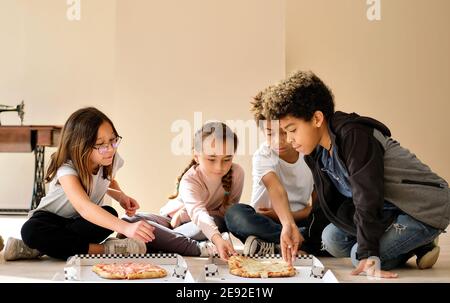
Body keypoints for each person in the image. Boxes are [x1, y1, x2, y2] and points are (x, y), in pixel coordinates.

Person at [260, 70, 449, 278]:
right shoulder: (316, 153)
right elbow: (325, 204)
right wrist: (299, 235)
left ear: (316, 118)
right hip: (390, 209)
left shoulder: (354, 136)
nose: (288, 139)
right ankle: (415, 243)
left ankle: (421, 239)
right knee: (330, 238)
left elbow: (367, 194)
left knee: (359, 257)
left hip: (425, 208)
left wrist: (369, 253)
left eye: (292, 130)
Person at [3, 107, 154, 261]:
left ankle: (36, 248)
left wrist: (121, 196)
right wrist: (126, 228)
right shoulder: (66, 168)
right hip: (51, 219)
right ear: (81, 146)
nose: (109, 149)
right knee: (31, 230)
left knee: (110, 213)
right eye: (101, 144)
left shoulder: (110, 158)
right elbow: (84, 208)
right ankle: (106, 250)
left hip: (79, 224)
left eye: (113, 140)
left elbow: (108, 180)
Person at [225, 91, 329, 257]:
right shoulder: (263, 155)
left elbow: (318, 207)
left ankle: (274, 247)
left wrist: (297, 217)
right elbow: (275, 189)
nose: (278, 140)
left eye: (284, 132)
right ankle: (297, 243)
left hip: (301, 221)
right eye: (269, 133)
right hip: (266, 222)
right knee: (235, 214)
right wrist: (286, 223)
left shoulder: (309, 150)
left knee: (329, 226)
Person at [125, 122, 244, 260]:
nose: (219, 167)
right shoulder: (190, 180)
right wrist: (180, 218)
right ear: (196, 156)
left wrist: (184, 216)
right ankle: (169, 241)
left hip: (205, 223)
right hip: (170, 221)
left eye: (227, 159)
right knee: (129, 220)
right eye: (211, 159)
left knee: (211, 223)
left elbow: (219, 214)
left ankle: (164, 242)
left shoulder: (237, 173)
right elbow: (190, 214)